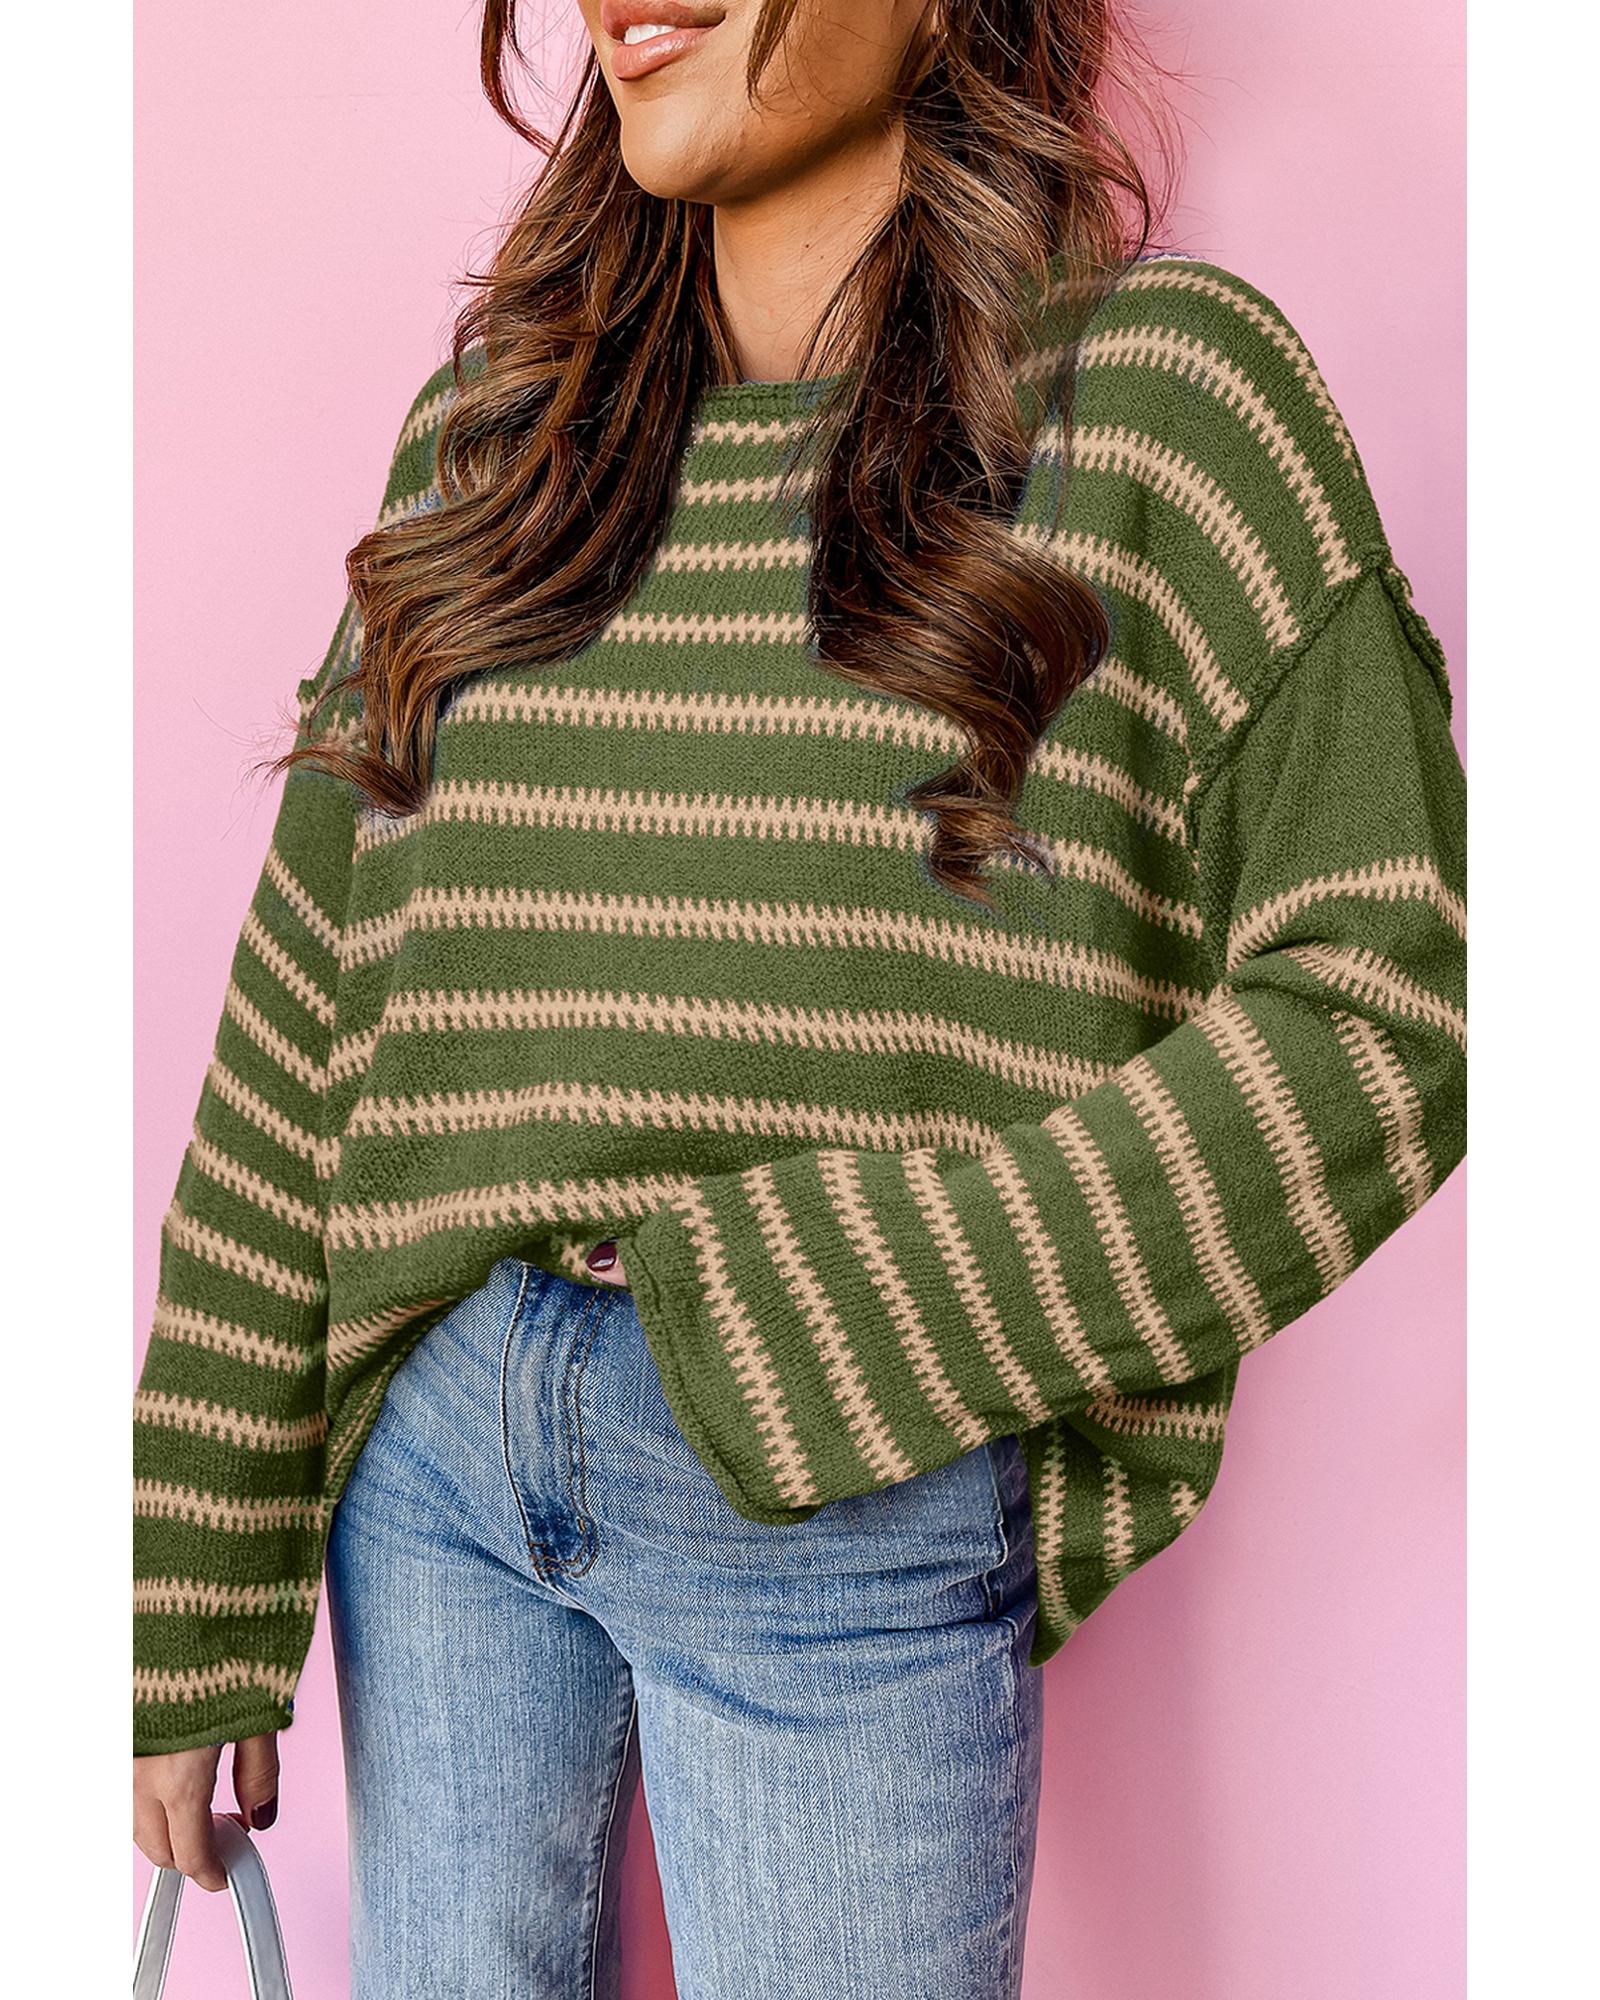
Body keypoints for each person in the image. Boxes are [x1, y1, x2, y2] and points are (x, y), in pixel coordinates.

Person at [132, 3, 1468, 1994]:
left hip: (838, 1469)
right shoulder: (495, 440)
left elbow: (1391, 1001)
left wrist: (875, 1298)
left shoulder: (1168, 405)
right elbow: (308, 1020)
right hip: (430, 1468)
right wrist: (195, 1577)